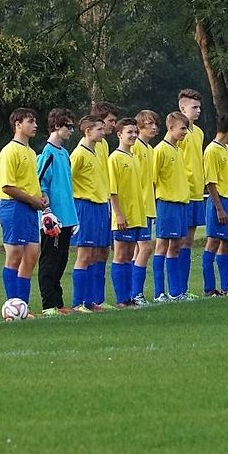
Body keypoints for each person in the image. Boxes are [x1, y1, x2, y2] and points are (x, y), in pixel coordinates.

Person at [0, 108, 47, 306]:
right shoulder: (10, 151)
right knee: (15, 255)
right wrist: (31, 200)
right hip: (14, 207)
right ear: (18, 124)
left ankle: (22, 306)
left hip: (30, 208)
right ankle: (13, 304)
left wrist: (41, 197)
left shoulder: (31, 152)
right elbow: (7, 186)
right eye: (30, 121)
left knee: (32, 256)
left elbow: (30, 182)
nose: (35, 125)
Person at [36, 108, 78, 316]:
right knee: (50, 261)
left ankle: (58, 303)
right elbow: (40, 183)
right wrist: (47, 213)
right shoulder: (47, 153)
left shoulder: (64, 153)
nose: (71, 130)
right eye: (68, 126)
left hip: (67, 217)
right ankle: (48, 305)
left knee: (61, 260)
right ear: (55, 126)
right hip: (53, 220)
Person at [69, 116, 109, 313]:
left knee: (94, 254)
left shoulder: (97, 151)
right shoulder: (78, 154)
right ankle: (78, 303)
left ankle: (90, 301)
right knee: (84, 254)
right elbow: (68, 180)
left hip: (100, 206)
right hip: (85, 207)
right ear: (88, 131)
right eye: (99, 129)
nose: (103, 132)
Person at [152, 112, 192, 301]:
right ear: (171, 128)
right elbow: (152, 181)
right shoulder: (160, 150)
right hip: (166, 204)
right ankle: (159, 292)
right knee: (162, 245)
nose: (185, 132)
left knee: (176, 245)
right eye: (183, 128)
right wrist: (153, 207)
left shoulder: (178, 149)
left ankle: (175, 292)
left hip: (181, 204)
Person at [108, 118, 146, 307]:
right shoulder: (114, 158)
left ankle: (129, 296)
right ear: (119, 134)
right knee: (120, 255)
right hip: (123, 215)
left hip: (137, 214)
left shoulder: (134, 157)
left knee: (131, 254)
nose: (133, 135)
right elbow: (112, 191)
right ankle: (121, 299)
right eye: (129, 132)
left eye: (135, 132)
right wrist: (119, 214)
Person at [201, 115, 228, 296]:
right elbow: (211, 182)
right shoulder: (211, 150)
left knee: (227, 243)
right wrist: (219, 208)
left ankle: (227, 286)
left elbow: (225, 175)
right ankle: (209, 288)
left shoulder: (226, 149)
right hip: (219, 202)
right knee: (213, 243)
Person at [88, 101, 121, 310]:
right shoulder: (84, 148)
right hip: (89, 205)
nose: (113, 125)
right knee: (89, 253)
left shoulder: (104, 144)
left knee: (103, 251)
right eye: (110, 121)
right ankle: (86, 299)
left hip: (103, 203)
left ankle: (98, 299)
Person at [176, 89, 205, 299]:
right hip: (182, 194)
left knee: (189, 241)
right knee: (178, 241)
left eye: (199, 107)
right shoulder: (179, 134)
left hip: (196, 193)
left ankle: (184, 288)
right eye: (194, 107)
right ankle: (175, 289)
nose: (198, 110)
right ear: (182, 108)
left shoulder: (199, 132)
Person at [131, 110, 159, 306]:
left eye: (155, 123)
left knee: (137, 251)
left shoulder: (150, 149)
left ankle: (134, 293)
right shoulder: (136, 148)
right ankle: (136, 294)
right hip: (137, 207)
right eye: (149, 124)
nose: (154, 127)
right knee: (145, 248)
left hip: (147, 207)